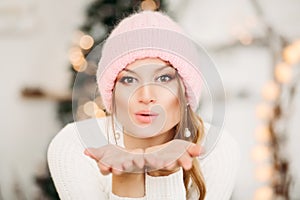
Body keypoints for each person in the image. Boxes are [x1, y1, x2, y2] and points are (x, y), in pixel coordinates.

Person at [47, 10, 240, 200]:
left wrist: (164, 176)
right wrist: (127, 178)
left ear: (185, 91)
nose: (146, 97)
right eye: (129, 80)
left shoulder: (217, 151)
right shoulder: (74, 146)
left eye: (164, 78)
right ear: (112, 93)